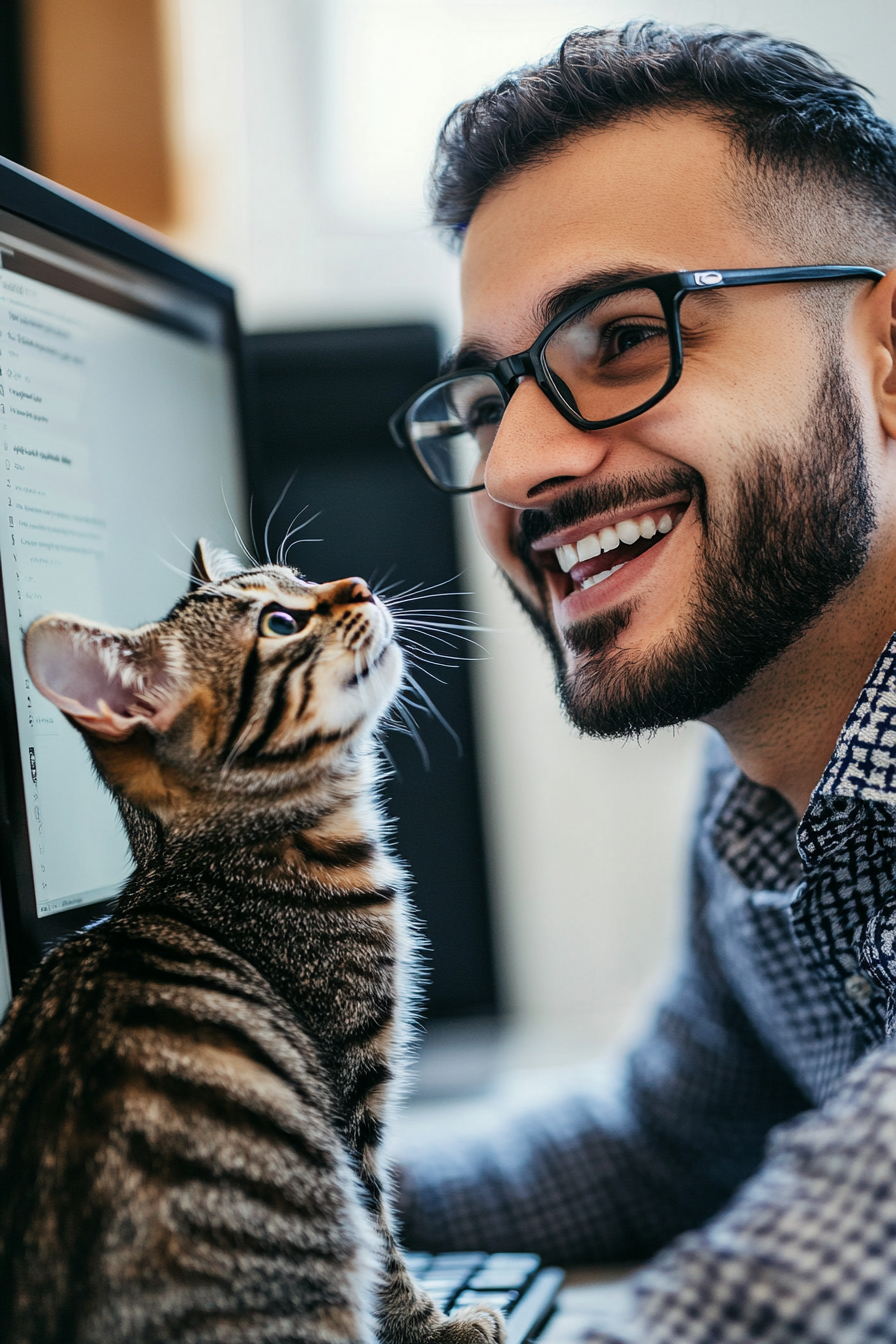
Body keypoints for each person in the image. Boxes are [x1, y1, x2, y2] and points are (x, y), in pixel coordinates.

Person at [388, 22, 896, 1342]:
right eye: (491, 400)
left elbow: (760, 1305)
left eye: (621, 337)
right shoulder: (761, 776)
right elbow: (664, 1143)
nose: (516, 469)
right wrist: (254, 1190)